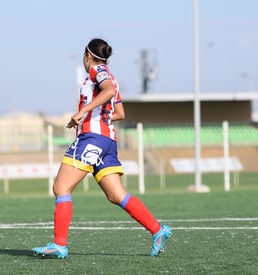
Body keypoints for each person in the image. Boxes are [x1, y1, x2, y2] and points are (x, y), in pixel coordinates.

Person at [31, 38, 171, 259]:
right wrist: (91, 116)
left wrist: (82, 112)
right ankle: (157, 229)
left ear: (87, 56)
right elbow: (120, 113)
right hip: (108, 141)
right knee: (117, 195)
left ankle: (59, 244)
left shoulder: (98, 71)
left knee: (61, 188)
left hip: (92, 139)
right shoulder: (108, 74)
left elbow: (108, 90)